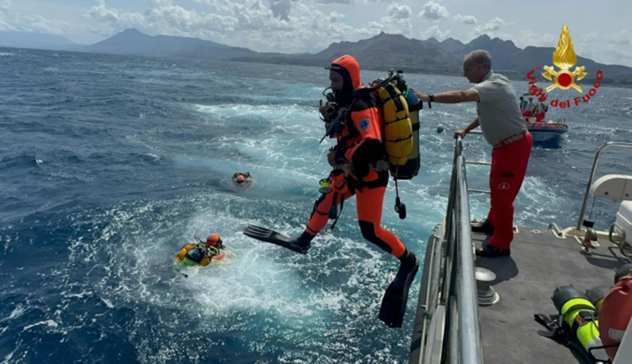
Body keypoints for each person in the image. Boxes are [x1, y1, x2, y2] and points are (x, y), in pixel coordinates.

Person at [244, 55, 419, 328]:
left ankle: (408, 261)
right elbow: (343, 131)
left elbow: (371, 144)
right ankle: (303, 241)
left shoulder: (362, 104)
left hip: (370, 174)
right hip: (350, 171)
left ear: (349, 79)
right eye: (331, 80)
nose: (333, 85)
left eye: (337, 80)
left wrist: (340, 155)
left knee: (370, 231)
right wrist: (328, 119)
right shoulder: (347, 102)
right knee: (327, 197)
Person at [415, 49, 533, 258]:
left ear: (480, 68)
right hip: (504, 146)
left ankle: (501, 244)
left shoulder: (493, 85)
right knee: (497, 190)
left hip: (513, 148)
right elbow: (489, 113)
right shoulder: (495, 83)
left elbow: (461, 95)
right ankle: (492, 224)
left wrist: (428, 97)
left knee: (503, 197)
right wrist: (467, 130)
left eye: (466, 69)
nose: (464, 74)